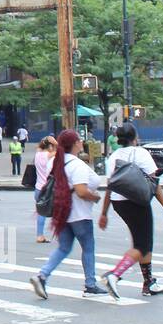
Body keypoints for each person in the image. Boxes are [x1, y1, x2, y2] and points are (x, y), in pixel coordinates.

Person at [29, 129, 108, 300]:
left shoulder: (55, 162)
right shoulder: (77, 165)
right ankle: (90, 285)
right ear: (75, 144)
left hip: (62, 213)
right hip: (79, 213)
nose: (81, 142)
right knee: (88, 247)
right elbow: (81, 191)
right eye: (79, 140)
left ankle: (42, 276)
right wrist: (95, 197)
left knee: (64, 247)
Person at [99, 123, 163, 298]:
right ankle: (115, 274)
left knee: (142, 240)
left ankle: (149, 282)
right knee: (142, 245)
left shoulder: (114, 157)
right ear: (135, 137)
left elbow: (110, 186)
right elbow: (154, 184)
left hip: (119, 203)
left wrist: (104, 213)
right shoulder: (141, 153)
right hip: (138, 202)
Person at [32, 136, 57, 243]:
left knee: (41, 212)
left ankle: (39, 235)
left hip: (38, 188)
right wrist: (55, 142)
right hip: (48, 189)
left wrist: (46, 140)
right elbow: (61, 149)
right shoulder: (50, 155)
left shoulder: (37, 154)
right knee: (58, 212)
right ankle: (60, 234)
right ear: (50, 146)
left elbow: (40, 146)